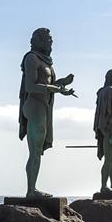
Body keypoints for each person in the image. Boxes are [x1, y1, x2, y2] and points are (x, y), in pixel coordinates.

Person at [18, 28, 75, 198]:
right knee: (35, 151)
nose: (51, 42)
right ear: (39, 40)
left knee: (37, 151)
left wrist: (62, 85)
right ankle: (31, 191)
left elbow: (49, 84)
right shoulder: (31, 58)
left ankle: (33, 189)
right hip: (34, 105)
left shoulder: (47, 62)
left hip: (44, 106)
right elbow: (30, 86)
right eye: (48, 39)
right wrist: (52, 88)